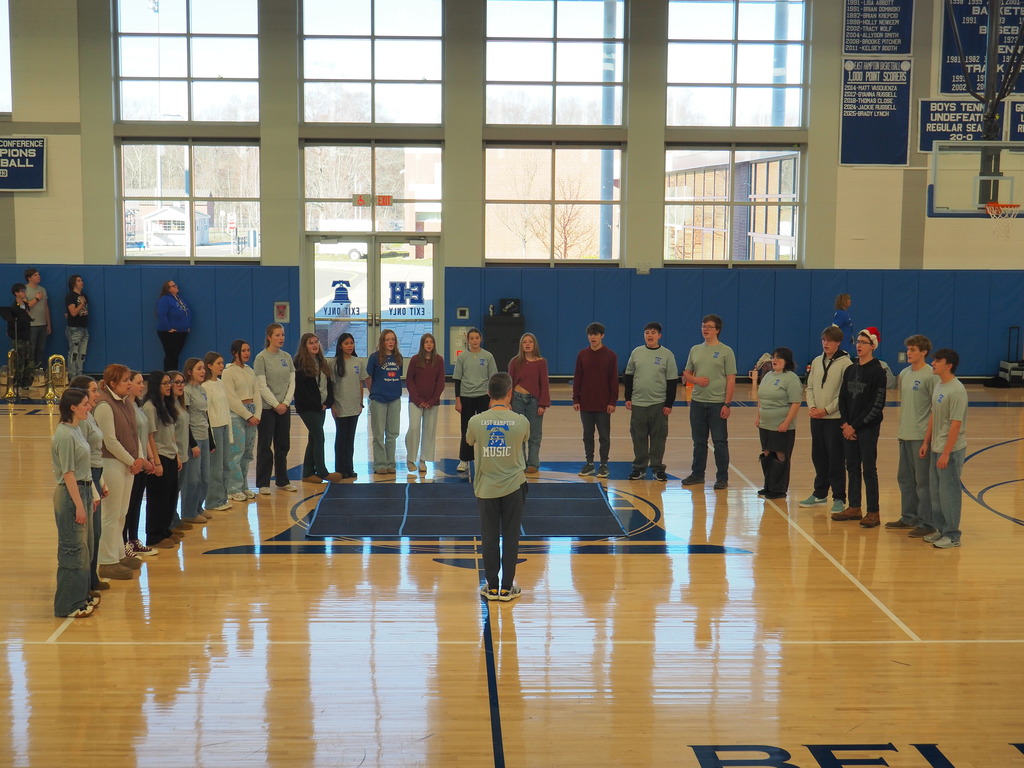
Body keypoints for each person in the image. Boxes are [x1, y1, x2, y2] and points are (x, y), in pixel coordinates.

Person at [466, 372, 530, 602]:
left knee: (489, 537)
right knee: (511, 536)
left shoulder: (475, 421)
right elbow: (524, 440)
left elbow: (469, 441)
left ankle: (492, 587)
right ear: (510, 392)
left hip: (486, 488)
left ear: (488, 394)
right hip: (514, 487)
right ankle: (506, 588)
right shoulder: (521, 421)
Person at [93, 364, 152, 581]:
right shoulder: (104, 405)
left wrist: (139, 457)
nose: (129, 384)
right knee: (111, 514)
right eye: (125, 380)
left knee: (121, 513)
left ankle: (119, 553)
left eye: (130, 379)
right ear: (112, 384)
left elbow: (133, 432)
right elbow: (109, 440)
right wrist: (132, 460)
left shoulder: (127, 402)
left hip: (127, 464)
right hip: (111, 464)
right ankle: (107, 562)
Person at [833, 327, 888, 528]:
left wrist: (855, 426)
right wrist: (845, 424)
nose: (859, 345)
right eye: (857, 341)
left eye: (864, 342)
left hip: (867, 429)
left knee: (869, 469)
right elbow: (842, 398)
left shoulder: (878, 371)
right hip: (849, 427)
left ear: (872, 345)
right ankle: (854, 507)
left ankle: (873, 511)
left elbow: (877, 404)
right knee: (852, 467)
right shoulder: (851, 369)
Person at [51, 388, 98, 618]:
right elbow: (68, 474)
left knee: (85, 548)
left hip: (84, 491)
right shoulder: (64, 435)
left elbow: (84, 468)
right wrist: (79, 505)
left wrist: (93, 494)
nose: (89, 407)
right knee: (73, 550)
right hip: (72, 495)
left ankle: (80, 597)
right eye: (85, 404)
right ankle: (67, 605)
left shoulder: (76, 430)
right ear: (73, 407)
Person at [886, 335, 937, 535]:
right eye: (908, 349)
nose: (909, 353)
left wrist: (927, 439)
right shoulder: (905, 374)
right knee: (905, 479)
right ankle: (909, 517)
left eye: (913, 349)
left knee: (923, 482)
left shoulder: (930, 375)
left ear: (923, 352)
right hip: (905, 435)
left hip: (921, 436)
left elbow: (935, 409)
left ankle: (927, 522)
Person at [799, 325, 852, 512]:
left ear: (838, 342)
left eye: (829, 340)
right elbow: (810, 387)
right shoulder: (815, 361)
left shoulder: (846, 364)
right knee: (819, 457)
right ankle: (820, 493)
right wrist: (812, 407)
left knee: (836, 458)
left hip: (834, 419)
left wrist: (826, 410)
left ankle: (839, 497)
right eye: (823, 340)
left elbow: (843, 394)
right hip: (817, 418)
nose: (826, 343)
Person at [682, 314, 736, 489]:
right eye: (703, 326)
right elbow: (686, 374)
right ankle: (697, 474)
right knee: (699, 441)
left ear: (717, 330)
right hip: (697, 402)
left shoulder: (726, 351)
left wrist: (727, 404)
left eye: (709, 326)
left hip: (717, 403)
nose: (705, 329)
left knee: (720, 442)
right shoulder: (695, 350)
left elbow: (731, 379)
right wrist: (696, 380)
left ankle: (722, 478)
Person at [921, 349, 968, 549]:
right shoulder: (939, 385)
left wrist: (947, 453)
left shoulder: (957, 390)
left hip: (951, 450)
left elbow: (956, 425)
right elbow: (933, 415)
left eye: (937, 361)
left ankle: (953, 534)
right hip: (936, 447)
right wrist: (926, 442)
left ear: (948, 365)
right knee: (936, 492)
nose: (933, 363)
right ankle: (941, 529)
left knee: (949, 493)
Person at [69, 374, 110, 594]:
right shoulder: (82, 423)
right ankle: (85, 583)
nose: (97, 394)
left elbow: (95, 453)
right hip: (87, 477)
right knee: (89, 535)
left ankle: (92, 578)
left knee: (96, 533)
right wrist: (94, 487)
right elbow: (82, 460)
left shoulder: (91, 416)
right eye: (93, 391)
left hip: (95, 473)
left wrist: (101, 480)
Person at [624, 322, 679, 482]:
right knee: (638, 437)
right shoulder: (636, 353)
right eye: (647, 332)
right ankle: (639, 468)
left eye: (653, 332)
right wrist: (628, 398)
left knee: (658, 437)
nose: (650, 335)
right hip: (638, 403)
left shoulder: (667, 354)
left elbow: (672, 380)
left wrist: (669, 404)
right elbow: (628, 376)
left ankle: (657, 468)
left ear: (659, 335)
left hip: (658, 404)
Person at [254, 323, 297, 495]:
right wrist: (275, 404)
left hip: (284, 408)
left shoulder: (286, 357)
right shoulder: (261, 358)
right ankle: (263, 482)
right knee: (265, 445)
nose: (281, 338)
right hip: (267, 408)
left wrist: (285, 403)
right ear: (269, 337)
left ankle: (282, 480)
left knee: (283, 444)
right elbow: (261, 386)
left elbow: (292, 382)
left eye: (283, 335)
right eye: (277, 335)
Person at [755, 347, 803, 500]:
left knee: (780, 454)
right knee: (767, 452)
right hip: (765, 423)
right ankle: (768, 485)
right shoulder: (768, 376)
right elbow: (761, 399)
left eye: (779, 358)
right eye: (774, 357)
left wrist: (786, 423)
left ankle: (779, 489)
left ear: (787, 361)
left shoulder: (791, 378)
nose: (775, 360)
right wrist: (758, 417)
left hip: (781, 425)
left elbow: (796, 403)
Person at [572, 322, 618, 479]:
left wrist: (612, 401)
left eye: (596, 334)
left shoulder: (610, 355)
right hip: (586, 403)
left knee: (604, 436)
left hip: (604, 404)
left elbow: (613, 380)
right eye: (591, 334)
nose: (593, 337)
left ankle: (604, 465)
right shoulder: (582, 355)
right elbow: (578, 378)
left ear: (602, 336)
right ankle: (590, 463)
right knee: (587, 435)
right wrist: (576, 398)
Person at [141, 370, 181, 550]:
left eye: (169, 383)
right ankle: (154, 535)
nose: (169, 386)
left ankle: (165, 529)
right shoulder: (150, 407)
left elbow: (171, 433)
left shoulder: (166, 404)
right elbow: (150, 437)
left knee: (171, 496)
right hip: (160, 456)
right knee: (158, 498)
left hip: (171, 455)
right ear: (156, 386)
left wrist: (177, 455)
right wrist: (156, 462)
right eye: (165, 383)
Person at [122, 370, 160, 559]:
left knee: (137, 502)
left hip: (143, 461)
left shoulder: (137, 406)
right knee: (127, 505)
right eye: (138, 383)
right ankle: (124, 543)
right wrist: (141, 459)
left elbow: (144, 436)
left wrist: (151, 459)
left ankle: (134, 539)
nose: (141, 386)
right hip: (132, 462)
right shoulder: (124, 407)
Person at [294, 332, 337, 483]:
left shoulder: (322, 361)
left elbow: (328, 384)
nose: (315, 345)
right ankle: (322, 471)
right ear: (304, 346)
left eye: (316, 342)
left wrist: (328, 402)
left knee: (313, 438)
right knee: (319, 437)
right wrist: (317, 405)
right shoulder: (300, 363)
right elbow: (301, 391)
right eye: (311, 343)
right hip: (308, 408)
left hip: (322, 406)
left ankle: (307, 473)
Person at [453, 327, 497, 473]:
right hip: (466, 397)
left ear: (481, 339)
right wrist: (458, 400)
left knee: (485, 428)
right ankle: (464, 460)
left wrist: (493, 399)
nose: (474, 341)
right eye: (471, 338)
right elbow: (457, 380)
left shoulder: (488, 356)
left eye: (476, 338)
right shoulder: (462, 357)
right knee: (466, 429)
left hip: (483, 397)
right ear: (468, 341)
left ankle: (485, 459)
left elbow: (493, 378)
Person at [508, 332, 550, 475]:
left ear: (534, 344)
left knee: (534, 434)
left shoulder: (541, 362)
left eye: (530, 342)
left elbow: (544, 383)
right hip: (517, 400)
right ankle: (519, 463)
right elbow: (510, 382)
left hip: (534, 401)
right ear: (521, 345)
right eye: (524, 342)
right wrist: (508, 401)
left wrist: (543, 404)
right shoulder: (515, 362)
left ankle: (533, 463)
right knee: (519, 433)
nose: (527, 344)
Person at [223, 339, 259, 500]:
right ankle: (233, 488)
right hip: (237, 415)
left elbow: (256, 392)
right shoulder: (228, 372)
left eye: (248, 350)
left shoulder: (250, 371)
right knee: (236, 452)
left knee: (247, 453)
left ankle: (244, 486)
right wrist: (247, 415)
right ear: (235, 353)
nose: (247, 353)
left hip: (252, 412)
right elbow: (230, 398)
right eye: (243, 350)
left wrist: (257, 414)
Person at [405, 332, 445, 474]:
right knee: (414, 428)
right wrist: (418, 400)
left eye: (431, 342)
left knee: (429, 431)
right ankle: (410, 459)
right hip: (416, 401)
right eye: (426, 342)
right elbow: (409, 380)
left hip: (432, 403)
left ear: (434, 345)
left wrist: (432, 400)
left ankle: (423, 460)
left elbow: (440, 383)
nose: (429, 344)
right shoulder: (415, 360)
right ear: (422, 344)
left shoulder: (439, 360)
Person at [366, 329, 404, 475]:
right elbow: (368, 377)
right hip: (379, 400)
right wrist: (373, 392)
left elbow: (398, 376)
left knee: (393, 433)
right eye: (387, 340)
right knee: (378, 433)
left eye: (392, 339)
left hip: (394, 399)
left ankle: (390, 463)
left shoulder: (398, 357)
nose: (390, 342)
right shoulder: (374, 358)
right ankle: (380, 464)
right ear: (382, 342)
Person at [180, 357, 213, 524]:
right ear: (189, 372)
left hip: (205, 437)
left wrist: (211, 440)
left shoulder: (202, 390)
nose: (202, 371)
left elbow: (205, 415)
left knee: (205, 477)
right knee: (192, 479)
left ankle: (198, 507)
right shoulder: (186, 391)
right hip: (193, 439)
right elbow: (185, 420)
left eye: (203, 368)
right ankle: (188, 513)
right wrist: (192, 444)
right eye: (199, 368)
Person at [331, 332, 365, 480]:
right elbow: (330, 385)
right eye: (346, 343)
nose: (350, 346)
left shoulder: (358, 362)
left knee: (350, 438)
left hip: (354, 406)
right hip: (340, 405)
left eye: (351, 343)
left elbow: (360, 383)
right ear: (340, 346)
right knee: (341, 437)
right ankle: (340, 469)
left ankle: (349, 468)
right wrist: (332, 405)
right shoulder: (333, 363)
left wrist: (360, 403)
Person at [203, 351, 233, 510]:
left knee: (226, 465)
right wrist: (211, 437)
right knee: (216, 467)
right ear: (209, 366)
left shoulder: (220, 383)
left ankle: (222, 498)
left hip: (224, 426)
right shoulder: (205, 386)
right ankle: (212, 501)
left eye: (222, 363)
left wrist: (229, 431)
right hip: (214, 428)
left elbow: (226, 409)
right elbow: (206, 413)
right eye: (218, 363)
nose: (222, 366)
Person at [156, 280, 191, 371]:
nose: (176, 286)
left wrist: (186, 326)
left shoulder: (179, 299)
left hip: (181, 332)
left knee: (175, 355)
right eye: (173, 286)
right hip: (170, 333)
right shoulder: (164, 300)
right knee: (171, 355)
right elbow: (161, 314)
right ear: (168, 289)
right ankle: (168, 375)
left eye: (175, 285)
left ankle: (173, 375)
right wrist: (169, 328)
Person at [7, 283, 34, 390]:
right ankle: (17, 383)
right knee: (19, 362)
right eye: (22, 291)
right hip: (19, 338)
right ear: (16, 293)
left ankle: (26, 383)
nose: (24, 293)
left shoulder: (25, 305)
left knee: (29, 362)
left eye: (24, 291)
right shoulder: (13, 308)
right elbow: (12, 324)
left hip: (27, 336)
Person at [23, 268, 50, 372]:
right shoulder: (24, 290)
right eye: (35, 275)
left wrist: (48, 324)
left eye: (38, 274)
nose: (38, 276)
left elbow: (46, 307)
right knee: (31, 349)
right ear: (29, 278)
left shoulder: (42, 289)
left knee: (41, 349)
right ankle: (30, 371)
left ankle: (39, 370)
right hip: (31, 325)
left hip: (42, 324)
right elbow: (25, 307)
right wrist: (37, 298)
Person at [65, 274, 90, 378]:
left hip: (84, 327)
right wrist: (81, 304)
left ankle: (79, 372)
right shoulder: (70, 296)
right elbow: (73, 313)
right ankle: (72, 374)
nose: (81, 282)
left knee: (82, 353)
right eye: (79, 281)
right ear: (74, 284)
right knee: (74, 353)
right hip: (74, 328)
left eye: (82, 280)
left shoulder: (84, 296)